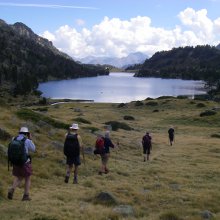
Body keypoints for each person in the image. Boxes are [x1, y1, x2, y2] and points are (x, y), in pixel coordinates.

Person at [7, 127, 36, 201]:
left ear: (19, 132)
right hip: (24, 162)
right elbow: (33, 149)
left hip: (15, 162)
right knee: (27, 177)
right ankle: (26, 196)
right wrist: (30, 139)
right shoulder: (27, 140)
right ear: (27, 133)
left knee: (18, 176)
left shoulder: (14, 139)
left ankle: (12, 189)